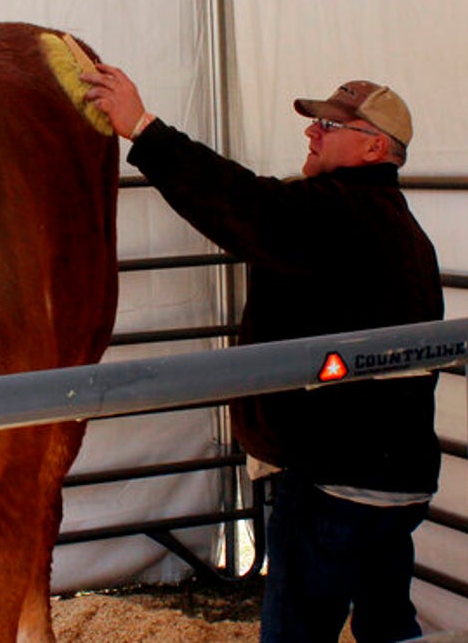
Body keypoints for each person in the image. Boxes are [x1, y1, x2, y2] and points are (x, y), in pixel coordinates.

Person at [81, 66, 443, 642]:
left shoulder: (337, 215)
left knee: (296, 632)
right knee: (387, 622)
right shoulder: (400, 227)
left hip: (333, 481)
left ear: (376, 147)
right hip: (396, 479)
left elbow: (242, 203)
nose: (312, 132)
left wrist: (144, 130)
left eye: (330, 125)